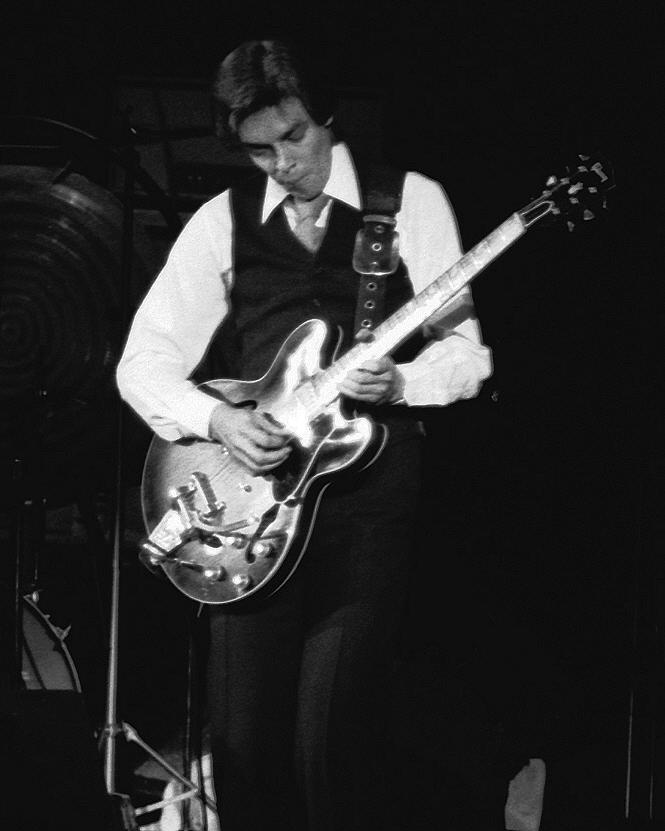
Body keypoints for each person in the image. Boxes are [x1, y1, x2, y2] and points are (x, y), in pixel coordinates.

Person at [116, 39, 492, 831]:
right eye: (260, 149)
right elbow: (142, 362)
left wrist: (400, 382)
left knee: (330, 742)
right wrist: (216, 418)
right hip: (254, 511)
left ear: (327, 119)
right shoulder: (223, 221)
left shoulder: (407, 202)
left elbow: (465, 355)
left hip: (363, 505)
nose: (282, 162)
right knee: (244, 742)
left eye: (295, 138)